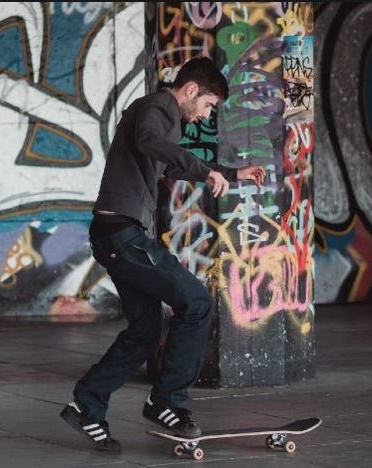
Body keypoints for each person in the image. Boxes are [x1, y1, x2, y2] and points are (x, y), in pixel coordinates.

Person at [60, 57, 266, 453]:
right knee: (198, 302)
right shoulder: (157, 109)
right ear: (191, 91)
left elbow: (167, 161)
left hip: (116, 234)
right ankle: (166, 402)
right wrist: (206, 173)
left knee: (144, 331)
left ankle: (86, 405)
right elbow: (151, 143)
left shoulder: (158, 116)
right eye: (207, 106)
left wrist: (230, 173)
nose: (204, 116)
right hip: (123, 236)